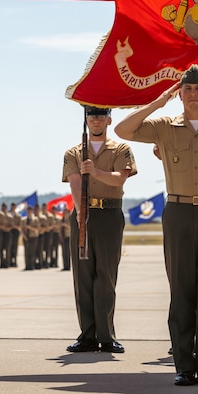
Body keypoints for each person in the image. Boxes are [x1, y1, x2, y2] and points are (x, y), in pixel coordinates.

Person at [115, 66, 198, 387]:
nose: (192, 95)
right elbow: (123, 129)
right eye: (186, 90)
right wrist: (157, 103)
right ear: (179, 94)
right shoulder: (164, 127)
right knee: (182, 290)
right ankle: (184, 367)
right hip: (177, 212)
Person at [62, 106, 136, 354]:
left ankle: (106, 335)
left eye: (100, 116)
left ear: (108, 119)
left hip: (109, 214)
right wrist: (80, 211)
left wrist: (94, 171)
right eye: (91, 116)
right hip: (83, 214)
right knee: (83, 276)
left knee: (106, 275)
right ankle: (88, 335)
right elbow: (74, 182)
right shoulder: (74, 152)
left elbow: (118, 178)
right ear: (86, 120)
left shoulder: (121, 149)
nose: (96, 120)